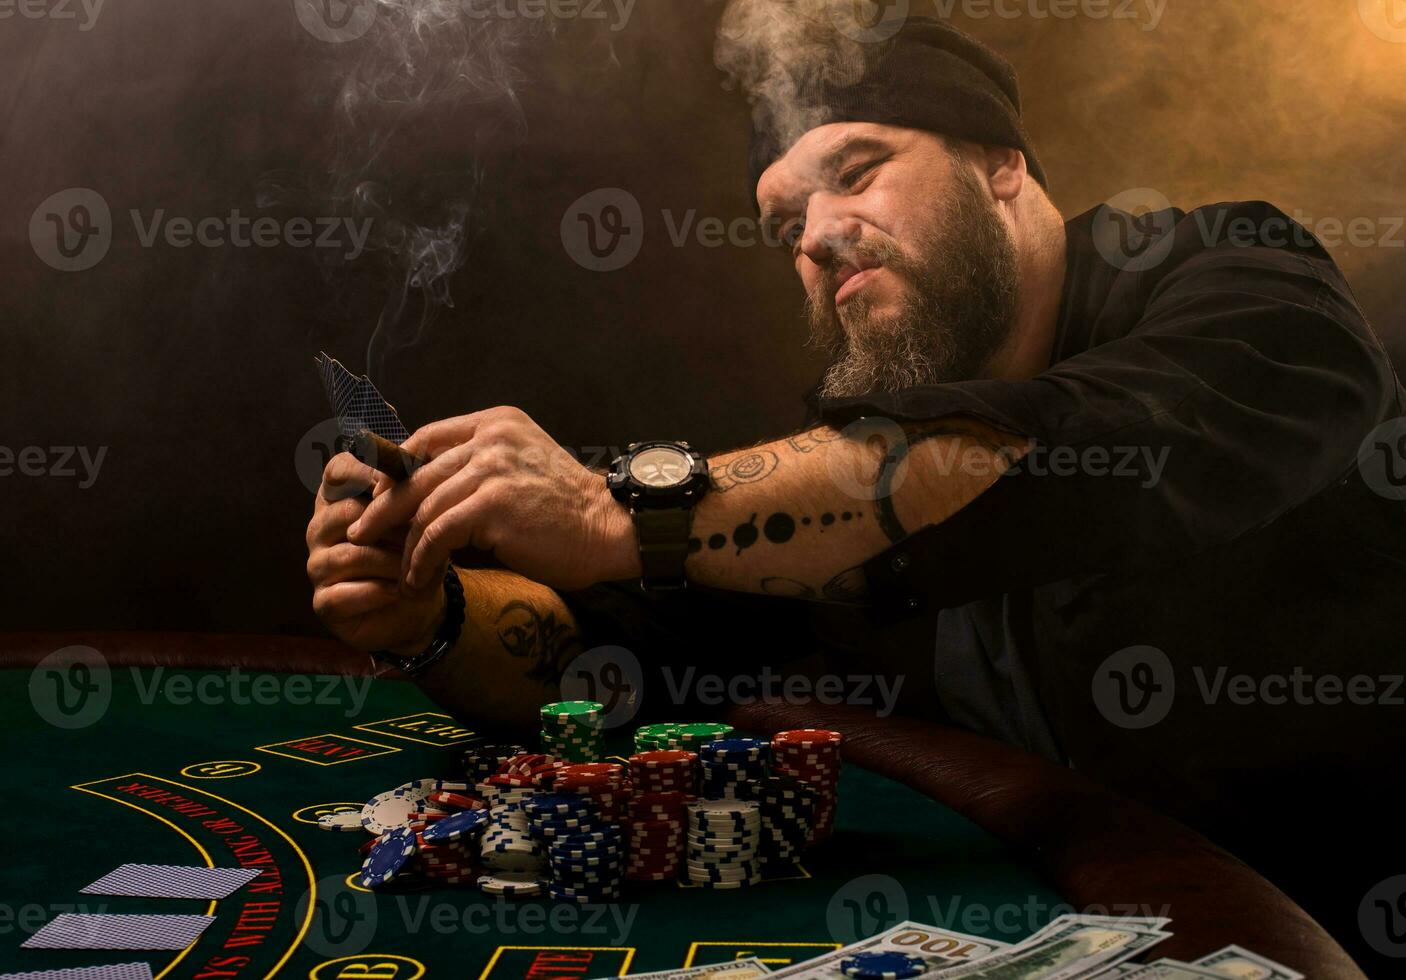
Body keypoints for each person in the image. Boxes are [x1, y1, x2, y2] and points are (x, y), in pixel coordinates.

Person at [306, 11, 1405, 961]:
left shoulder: (1237, 274)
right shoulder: (835, 459)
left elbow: (1098, 447)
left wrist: (610, 507)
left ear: (1001, 161)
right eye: (785, 224)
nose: (820, 238)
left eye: (860, 169)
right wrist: (434, 612)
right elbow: (626, 658)